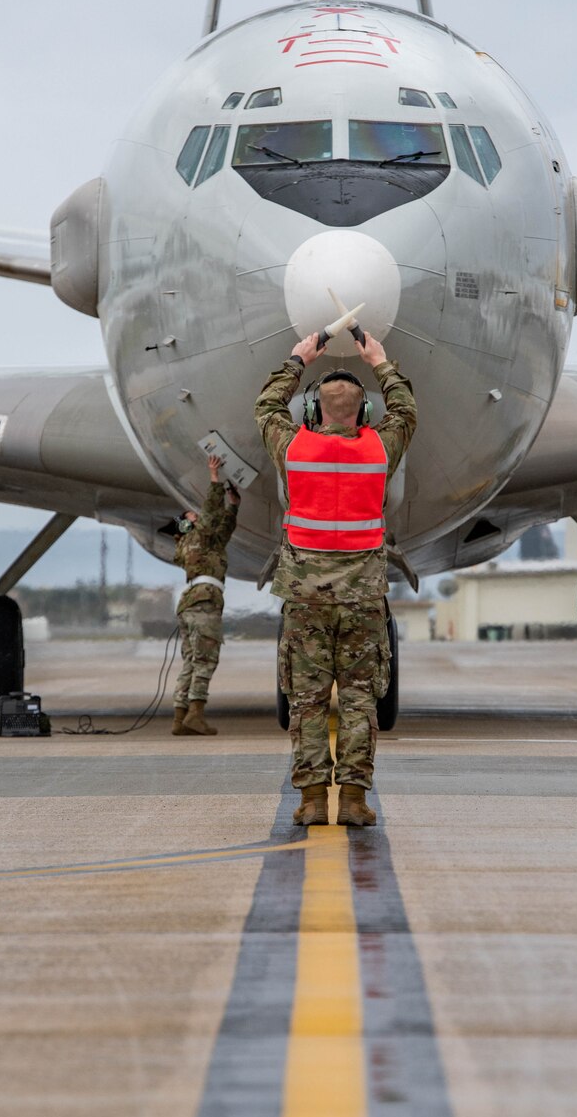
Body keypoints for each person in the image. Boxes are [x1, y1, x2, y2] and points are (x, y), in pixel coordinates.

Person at [256, 329, 416, 829]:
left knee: (306, 702)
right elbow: (406, 411)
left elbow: (266, 407)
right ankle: (351, 799)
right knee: (357, 700)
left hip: (306, 599)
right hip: (363, 597)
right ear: (364, 414)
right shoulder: (379, 451)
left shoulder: (294, 448)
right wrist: (380, 361)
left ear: (313, 413)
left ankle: (309, 802)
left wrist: (297, 359)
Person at [168, 454, 241, 736]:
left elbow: (222, 530)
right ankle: (196, 713)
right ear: (187, 526)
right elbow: (211, 513)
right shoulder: (198, 536)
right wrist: (214, 478)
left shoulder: (194, 544)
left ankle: (180, 716)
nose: (195, 515)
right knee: (206, 659)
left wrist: (233, 507)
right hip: (204, 603)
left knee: (190, 660)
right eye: (190, 516)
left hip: (190, 604)